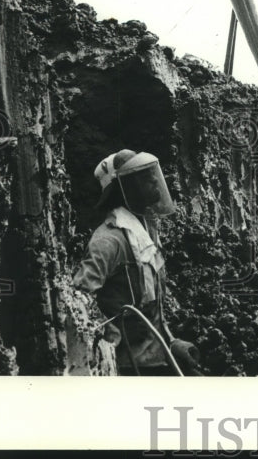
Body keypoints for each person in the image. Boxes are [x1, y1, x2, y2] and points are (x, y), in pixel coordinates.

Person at [73, 149, 200, 376]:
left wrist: (171, 342)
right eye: (142, 177)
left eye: (151, 174)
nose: (154, 180)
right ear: (122, 189)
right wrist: (112, 337)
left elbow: (152, 309)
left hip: (159, 358)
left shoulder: (145, 233)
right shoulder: (109, 241)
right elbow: (80, 299)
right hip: (131, 367)